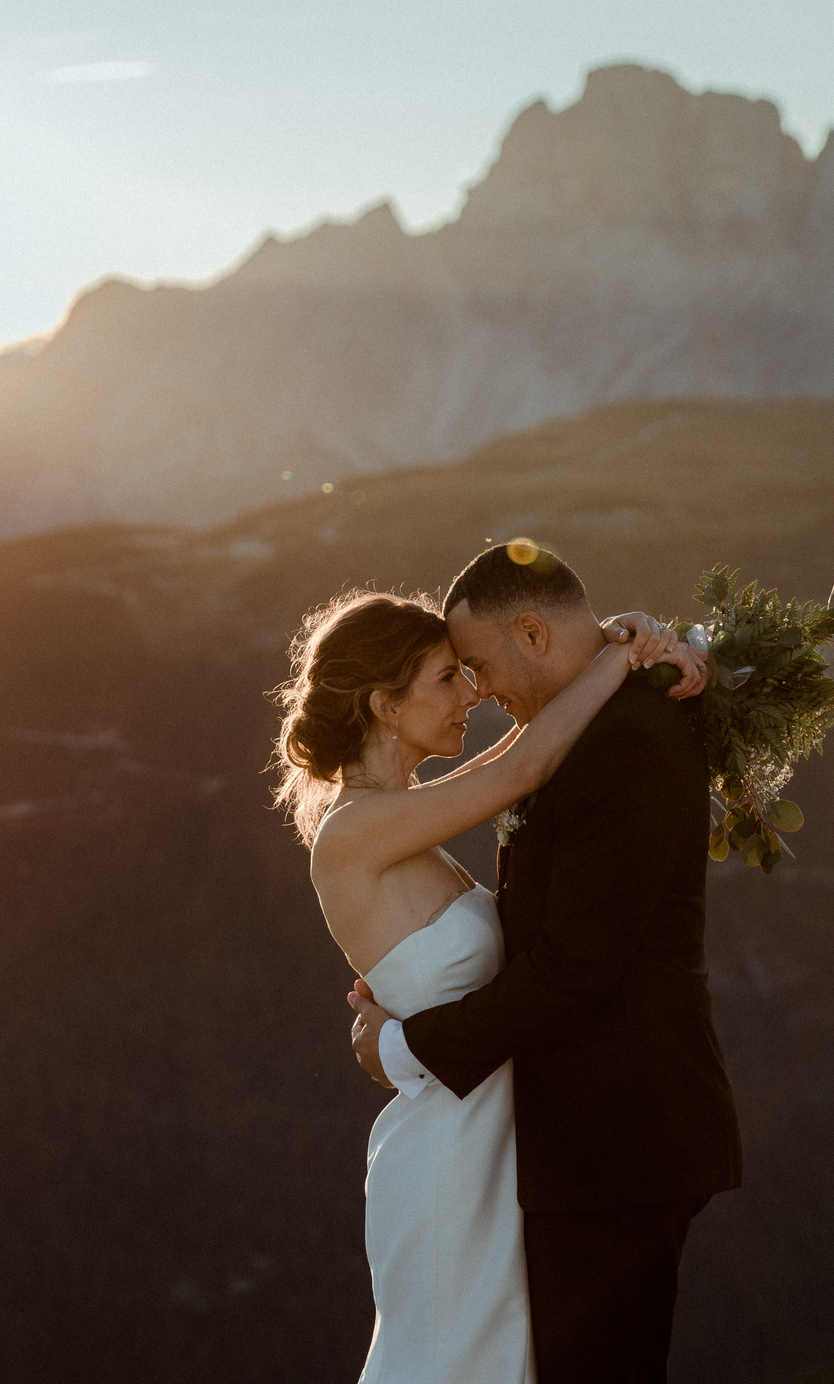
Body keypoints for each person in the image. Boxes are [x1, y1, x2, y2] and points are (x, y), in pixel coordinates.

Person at [275, 560, 711, 1384]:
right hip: (449, 1157)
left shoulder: (405, 817)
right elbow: (523, 767)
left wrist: (622, 636)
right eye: (449, 676)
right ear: (384, 704)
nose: (471, 693)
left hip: (503, 1147)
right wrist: (619, 654)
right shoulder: (352, 834)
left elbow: (523, 746)